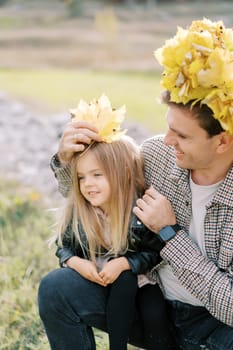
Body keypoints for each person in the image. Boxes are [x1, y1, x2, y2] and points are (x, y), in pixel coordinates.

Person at [39, 18, 233, 349]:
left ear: (223, 141)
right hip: (147, 308)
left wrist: (170, 234)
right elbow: (99, 190)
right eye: (169, 126)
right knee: (57, 289)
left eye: (182, 135)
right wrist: (66, 160)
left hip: (217, 329)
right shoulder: (157, 153)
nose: (167, 140)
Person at [38, 95, 177, 350]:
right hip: (102, 280)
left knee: (153, 309)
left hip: (138, 279)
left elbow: (154, 251)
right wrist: (75, 262)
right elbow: (63, 245)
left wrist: (125, 262)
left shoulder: (138, 211)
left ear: (122, 174)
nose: (88, 184)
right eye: (81, 177)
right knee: (119, 288)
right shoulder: (83, 214)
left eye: (97, 175)